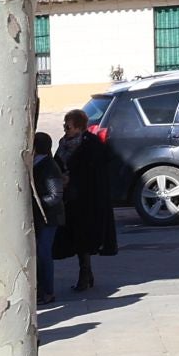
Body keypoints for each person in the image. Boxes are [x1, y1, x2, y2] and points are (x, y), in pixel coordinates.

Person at [55, 108, 117, 293]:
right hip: (69, 199)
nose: (65, 129)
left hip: (87, 200)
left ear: (78, 126)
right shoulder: (64, 143)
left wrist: (72, 178)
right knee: (74, 236)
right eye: (65, 125)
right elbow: (58, 162)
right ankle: (86, 273)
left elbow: (94, 173)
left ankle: (85, 274)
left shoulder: (91, 144)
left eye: (68, 125)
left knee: (83, 237)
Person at [32, 131, 68, 306]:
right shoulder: (35, 164)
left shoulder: (48, 166)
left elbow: (55, 196)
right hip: (40, 218)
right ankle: (41, 290)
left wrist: (34, 203)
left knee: (44, 253)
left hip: (49, 218)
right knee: (39, 254)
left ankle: (48, 291)